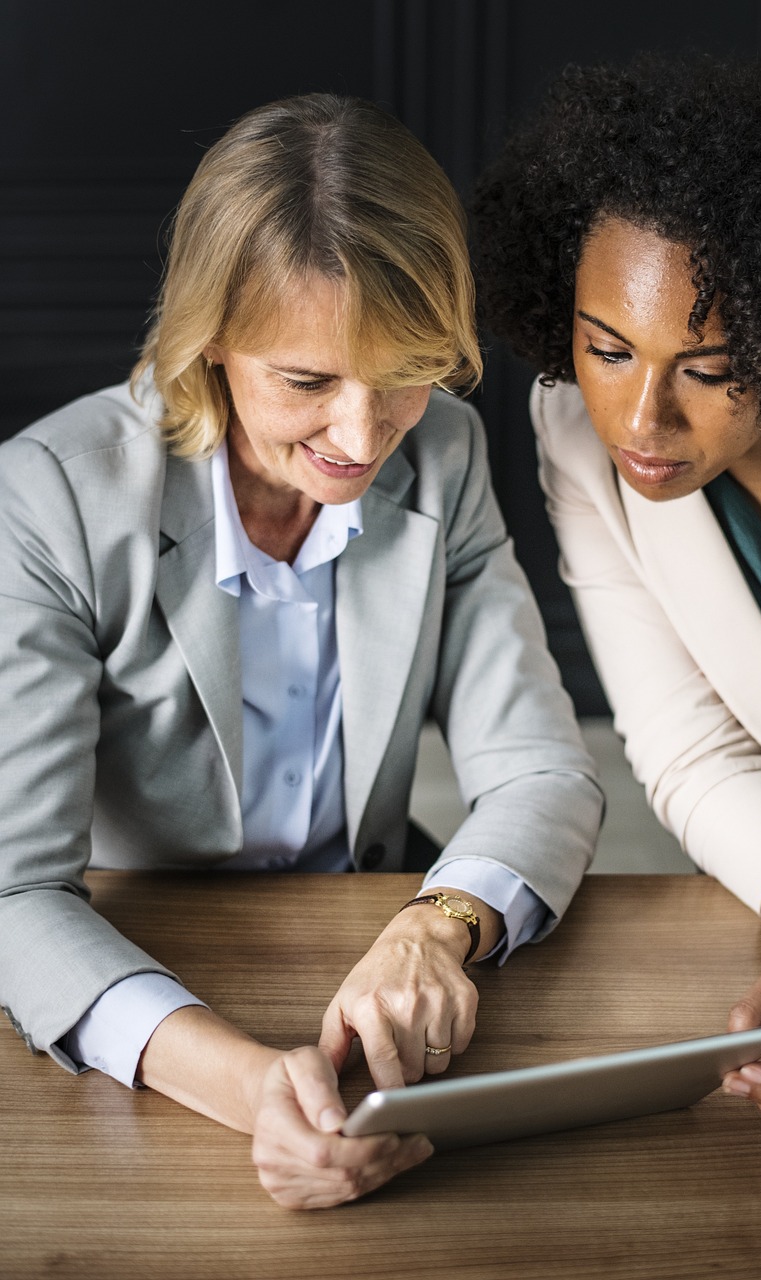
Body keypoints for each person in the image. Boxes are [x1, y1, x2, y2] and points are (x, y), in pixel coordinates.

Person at [0, 94, 602, 1210]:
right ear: (209, 342)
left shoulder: (448, 453)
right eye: (308, 381)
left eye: (406, 370)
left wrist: (438, 924)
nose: (363, 437)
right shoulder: (46, 498)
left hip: (365, 932)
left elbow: (544, 770)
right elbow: (12, 892)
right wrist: (247, 1086)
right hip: (144, 956)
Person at [472, 51, 761, 1137]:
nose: (638, 420)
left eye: (705, 369)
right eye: (606, 348)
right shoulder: (575, 432)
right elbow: (689, 753)